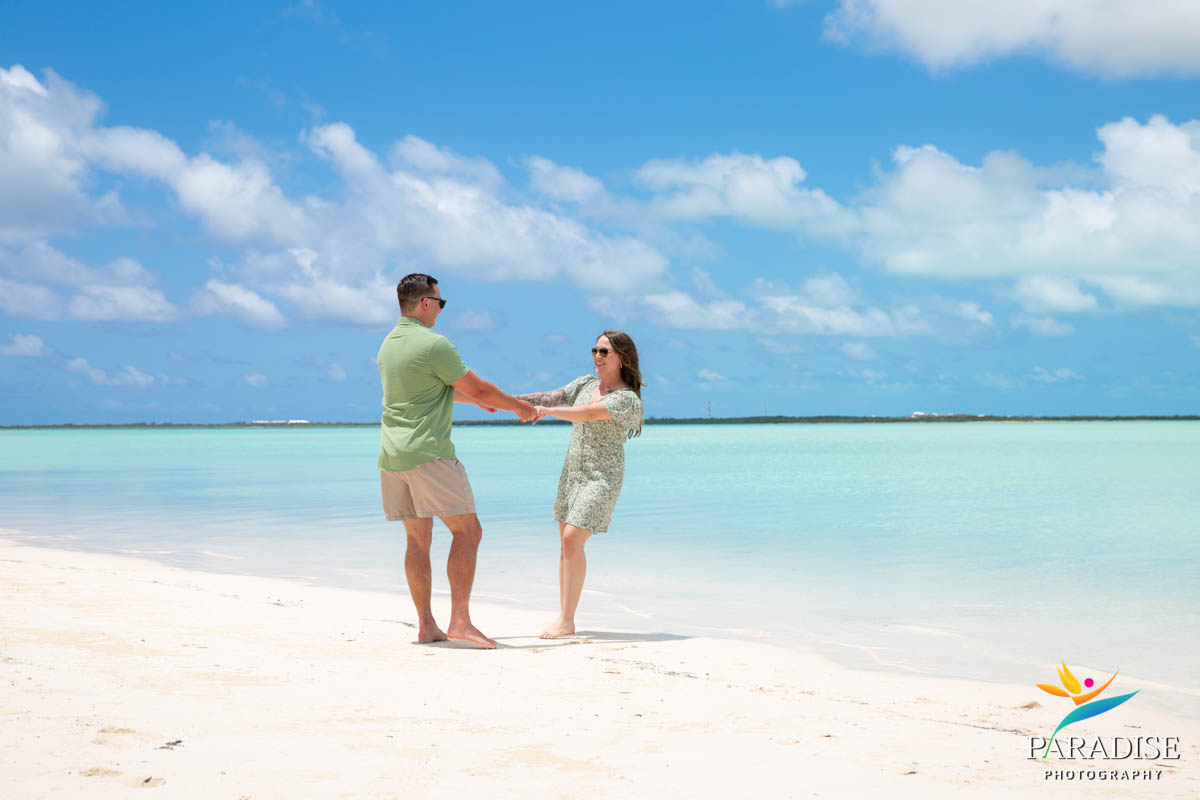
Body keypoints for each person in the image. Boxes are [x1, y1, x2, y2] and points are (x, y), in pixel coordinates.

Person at [378, 273, 536, 649]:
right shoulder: (434, 344)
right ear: (425, 303)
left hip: (392, 456)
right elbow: (477, 386)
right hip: (429, 453)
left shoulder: (389, 346)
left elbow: (434, 392)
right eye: (441, 302)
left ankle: (426, 625)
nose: (441, 310)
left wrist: (479, 400)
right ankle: (460, 622)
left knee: (418, 540)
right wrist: (519, 407)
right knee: (468, 531)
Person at [521, 331, 644, 639]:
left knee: (573, 539)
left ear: (622, 357)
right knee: (565, 544)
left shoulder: (626, 399)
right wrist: (500, 400)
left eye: (604, 351)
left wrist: (547, 412)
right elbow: (550, 396)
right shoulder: (585, 384)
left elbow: (587, 413)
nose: (597, 356)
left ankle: (566, 619)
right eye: (595, 350)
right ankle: (564, 616)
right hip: (572, 473)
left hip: (602, 477)